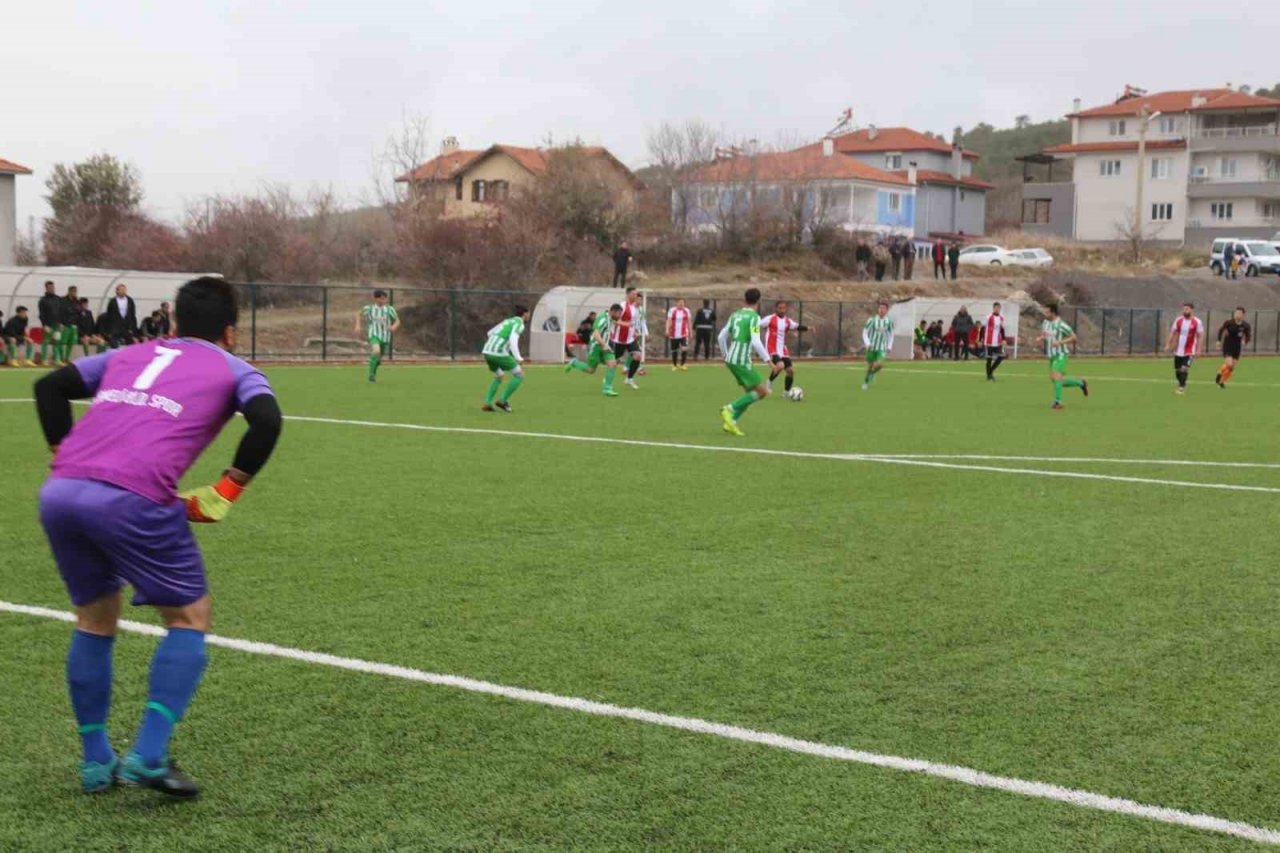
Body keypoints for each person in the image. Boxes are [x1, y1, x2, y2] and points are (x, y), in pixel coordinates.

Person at [34, 275, 283, 798]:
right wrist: (226, 490)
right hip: (133, 497)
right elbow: (266, 419)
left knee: (95, 619)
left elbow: (49, 386)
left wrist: (64, 455)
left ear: (173, 322)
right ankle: (148, 754)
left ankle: (96, 761)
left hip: (61, 494)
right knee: (189, 617)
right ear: (231, 333)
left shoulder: (133, 352)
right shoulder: (235, 366)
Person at [717, 288, 771, 436]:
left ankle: (731, 423)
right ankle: (730, 409)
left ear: (744, 299)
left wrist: (725, 355)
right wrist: (768, 360)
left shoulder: (735, 315)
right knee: (763, 391)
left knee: (750, 394)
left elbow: (721, 337)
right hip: (741, 360)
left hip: (731, 359)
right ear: (758, 301)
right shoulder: (754, 317)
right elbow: (756, 342)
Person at [1036, 304, 1088, 409]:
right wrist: (1041, 338)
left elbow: (1074, 337)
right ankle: (1080, 383)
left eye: (1047, 312)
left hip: (1061, 355)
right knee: (1056, 380)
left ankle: (1058, 402)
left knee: (1056, 377)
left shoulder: (1061, 324)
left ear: (1053, 313)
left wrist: (1060, 342)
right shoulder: (1045, 323)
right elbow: (1045, 335)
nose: (1045, 314)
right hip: (1052, 356)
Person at [564, 304, 621, 396]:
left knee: (612, 364)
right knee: (591, 370)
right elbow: (595, 334)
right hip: (596, 346)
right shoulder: (602, 319)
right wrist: (604, 345)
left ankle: (607, 388)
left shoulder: (611, 319)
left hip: (605, 346)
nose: (620, 316)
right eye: (619, 314)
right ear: (613, 312)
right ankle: (574, 363)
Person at [481, 305, 529, 412]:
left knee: (499, 375)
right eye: (528, 313)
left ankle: (487, 403)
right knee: (519, 375)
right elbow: (513, 339)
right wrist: (518, 357)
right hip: (498, 352)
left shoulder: (507, 321)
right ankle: (502, 400)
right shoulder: (519, 323)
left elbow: (489, 333)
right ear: (525, 314)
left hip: (487, 351)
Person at [761, 301, 811, 394]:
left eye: (784, 308)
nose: (782, 310)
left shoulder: (787, 321)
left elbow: (797, 327)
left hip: (783, 349)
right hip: (771, 348)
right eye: (780, 308)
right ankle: (769, 381)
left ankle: (786, 393)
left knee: (790, 371)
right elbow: (758, 324)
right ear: (776, 308)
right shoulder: (770, 318)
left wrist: (808, 328)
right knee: (780, 365)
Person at [355, 289, 401, 383]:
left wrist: (393, 327)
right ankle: (371, 376)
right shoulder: (370, 308)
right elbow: (358, 313)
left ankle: (374, 368)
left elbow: (397, 321)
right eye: (381, 298)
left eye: (385, 299)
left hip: (385, 336)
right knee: (376, 351)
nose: (383, 301)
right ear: (375, 299)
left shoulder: (389, 309)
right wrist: (358, 325)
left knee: (378, 359)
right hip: (374, 334)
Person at [1165, 302, 1204, 395]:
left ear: (1191, 310)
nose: (1185, 310)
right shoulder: (1178, 320)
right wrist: (1168, 344)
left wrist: (1199, 350)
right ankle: (1182, 383)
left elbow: (1201, 336)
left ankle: (1181, 388)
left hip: (1190, 350)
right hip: (1178, 350)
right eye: (1184, 309)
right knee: (1178, 371)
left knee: (1184, 369)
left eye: (1187, 309)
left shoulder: (1197, 322)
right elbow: (1172, 333)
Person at [610, 287, 644, 389]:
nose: (636, 296)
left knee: (637, 356)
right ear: (628, 294)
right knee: (613, 362)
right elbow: (616, 320)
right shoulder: (623, 306)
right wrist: (627, 324)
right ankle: (607, 379)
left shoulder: (634, 307)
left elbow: (632, 322)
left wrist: (635, 330)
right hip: (619, 339)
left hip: (630, 339)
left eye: (636, 294)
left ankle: (629, 379)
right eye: (634, 294)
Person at [1215, 307, 1252, 388]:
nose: (1237, 315)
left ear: (1243, 315)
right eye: (1236, 313)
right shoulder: (1229, 323)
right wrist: (1218, 341)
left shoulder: (1245, 325)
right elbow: (1221, 330)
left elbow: (1248, 336)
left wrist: (1245, 341)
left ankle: (1221, 381)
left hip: (1237, 347)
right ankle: (1219, 375)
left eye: (1239, 313)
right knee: (1229, 364)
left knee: (1231, 368)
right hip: (1227, 346)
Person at [861, 301, 894, 390]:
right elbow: (865, 332)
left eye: (883, 308)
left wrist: (889, 346)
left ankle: (873, 374)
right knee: (869, 367)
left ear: (887, 310)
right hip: (871, 347)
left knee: (880, 364)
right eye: (880, 308)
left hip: (881, 347)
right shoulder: (872, 320)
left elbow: (891, 334)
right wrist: (867, 343)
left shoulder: (889, 322)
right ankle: (866, 383)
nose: (881, 310)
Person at [101, 283, 139, 349]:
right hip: (115, 326)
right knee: (114, 342)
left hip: (127, 326)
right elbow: (109, 316)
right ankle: (115, 354)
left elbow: (132, 315)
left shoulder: (130, 301)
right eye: (120, 290)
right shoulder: (112, 301)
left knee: (130, 342)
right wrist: (109, 330)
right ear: (117, 291)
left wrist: (133, 329)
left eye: (124, 290)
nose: (122, 291)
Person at [38, 280, 63, 365]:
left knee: (57, 341)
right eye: (49, 287)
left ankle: (57, 359)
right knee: (46, 342)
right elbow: (41, 314)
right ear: (46, 288)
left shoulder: (58, 299)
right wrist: (44, 325)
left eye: (52, 287)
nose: (52, 289)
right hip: (48, 325)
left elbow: (61, 312)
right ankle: (44, 359)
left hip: (57, 325)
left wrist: (61, 323)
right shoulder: (43, 300)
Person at [983, 302, 1009, 381]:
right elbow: (982, 328)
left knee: (1000, 357)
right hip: (989, 342)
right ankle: (989, 376)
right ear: (993, 308)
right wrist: (981, 339)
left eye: (998, 308)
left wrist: (1004, 339)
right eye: (996, 308)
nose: (997, 309)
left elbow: (1002, 329)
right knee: (989, 360)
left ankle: (990, 372)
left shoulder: (1001, 318)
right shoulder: (989, 317)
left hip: (998, 342)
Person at [666, 298, 692, 371]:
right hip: (673, 334)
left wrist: (690, 331)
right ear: (676, 303)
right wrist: (667, 329)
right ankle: (674, 365)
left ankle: (682, 364)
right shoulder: (672, 310)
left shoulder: (687, 311)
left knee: (684, 348)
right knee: (674, 350)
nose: (681, 304)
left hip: (684, 333)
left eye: (683, 303)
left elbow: (689, 322)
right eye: (680, 303)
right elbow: (668, 320)